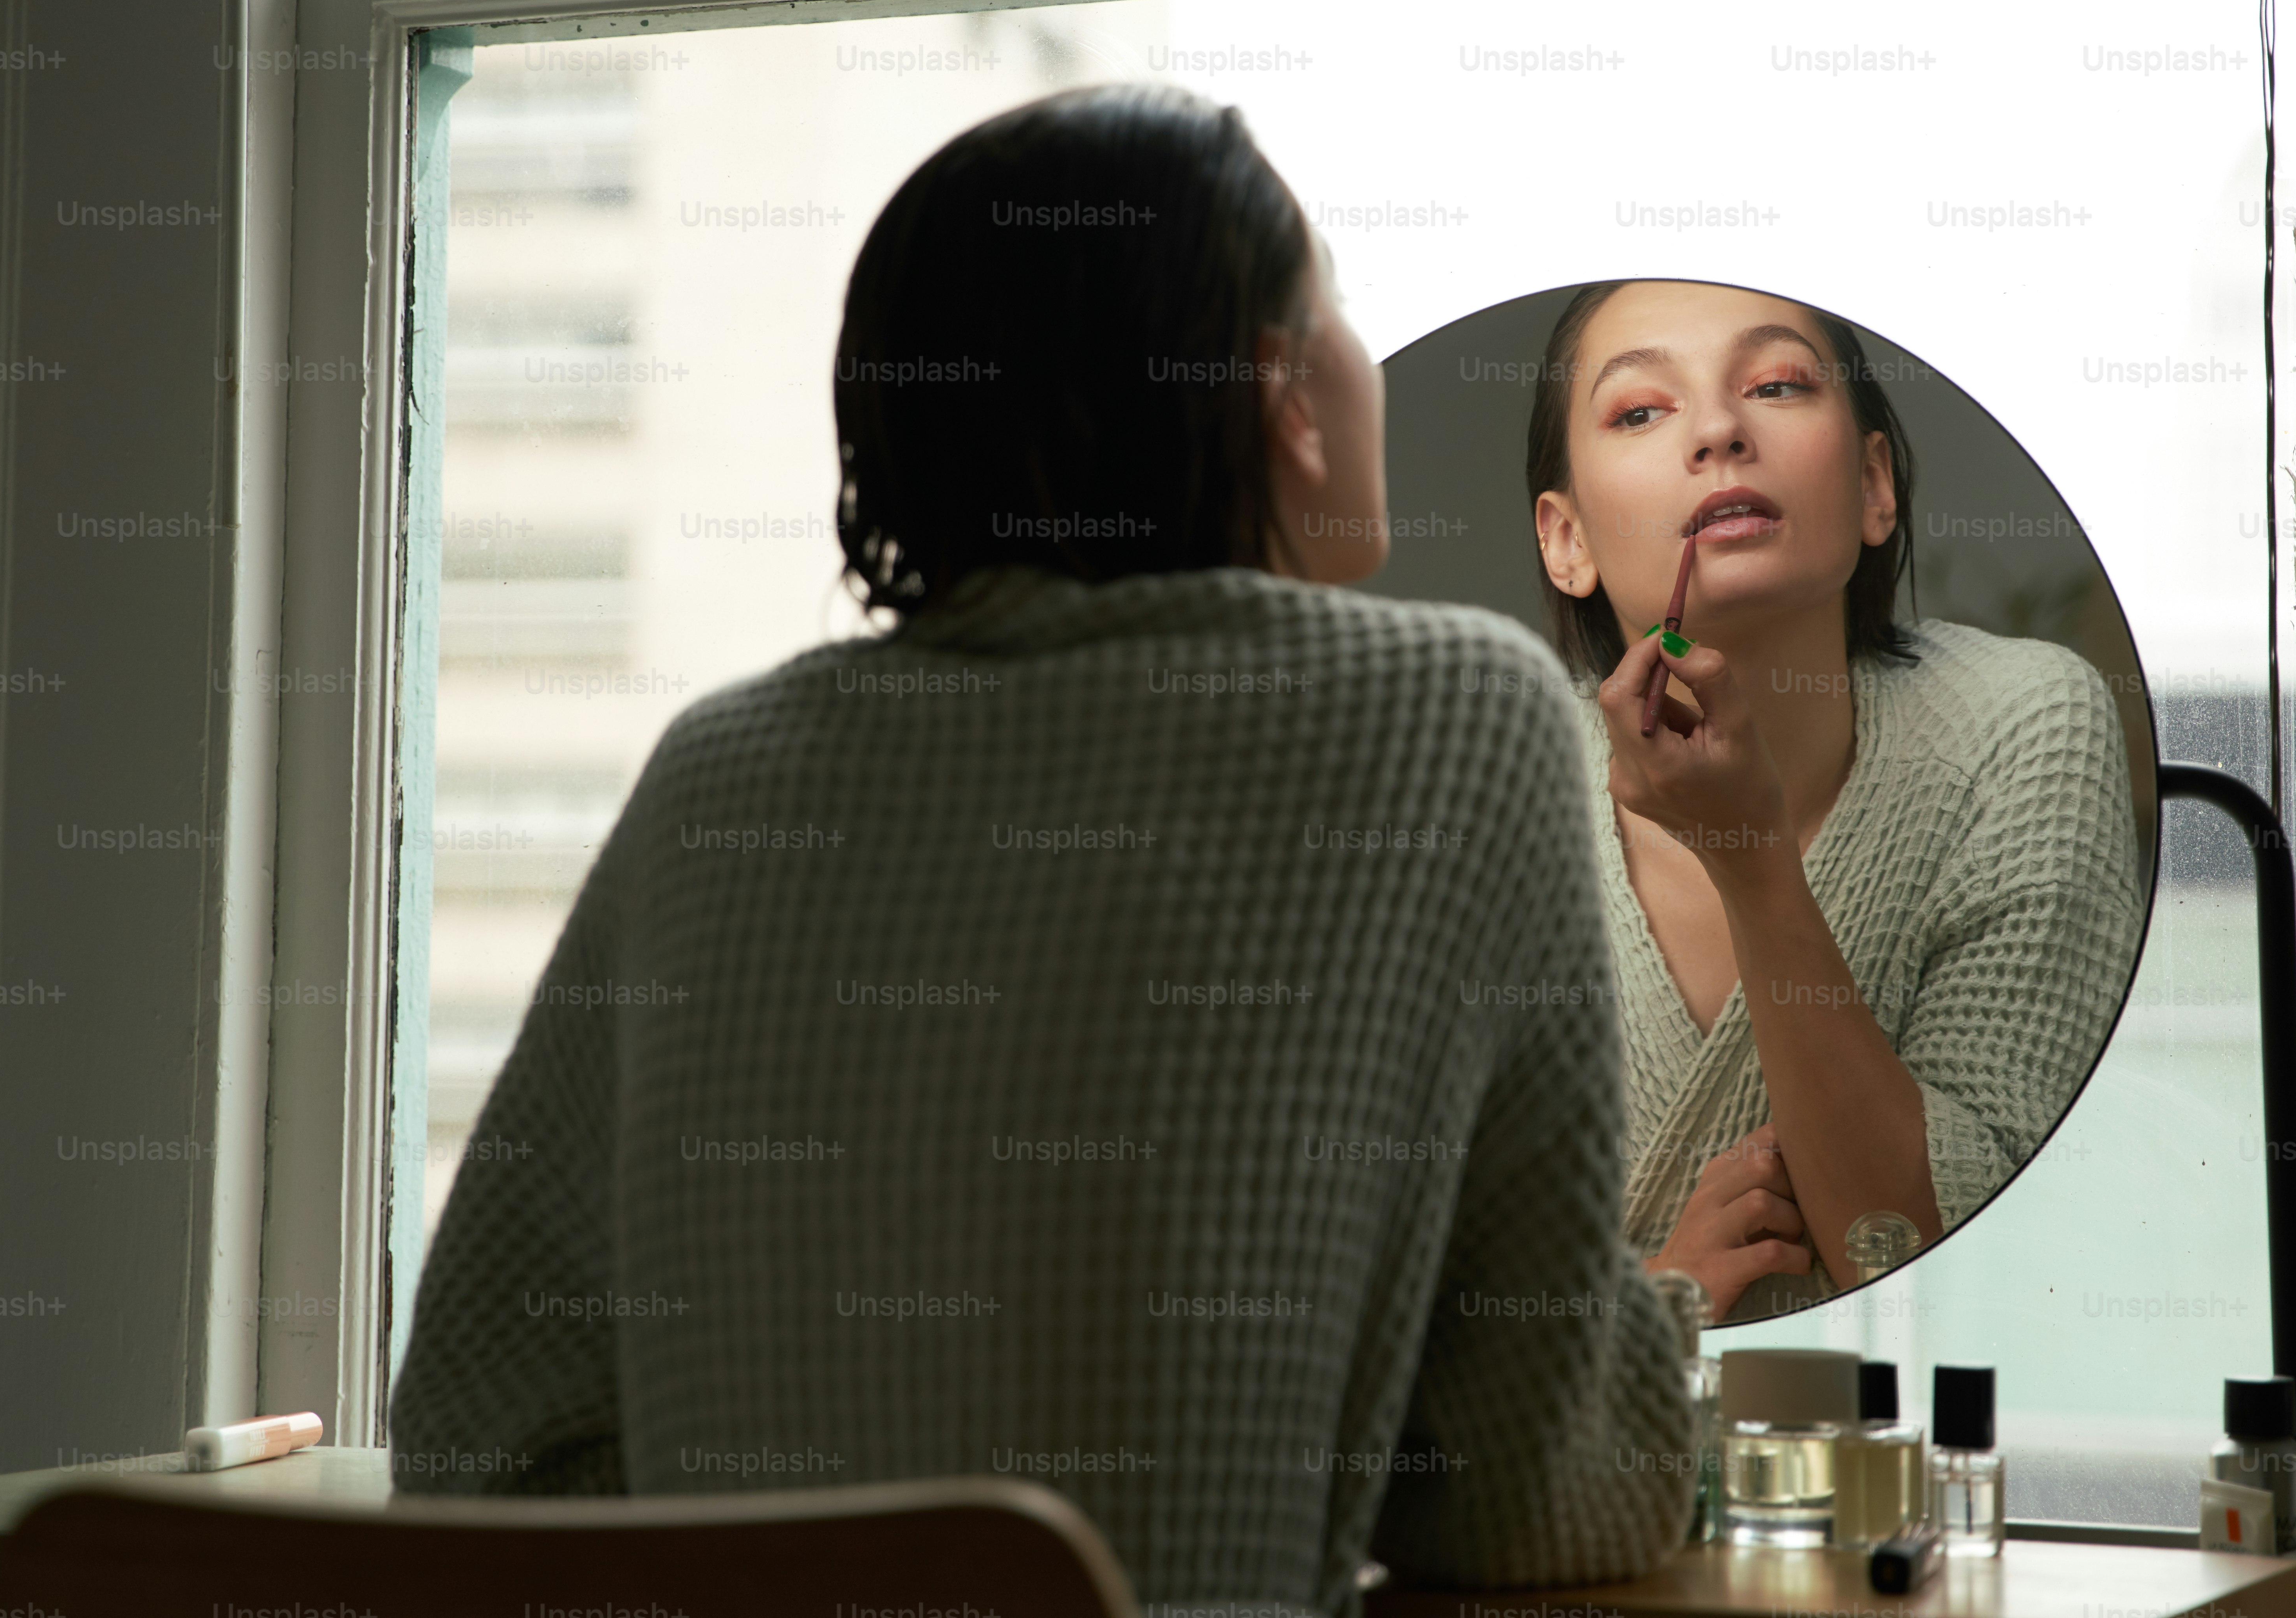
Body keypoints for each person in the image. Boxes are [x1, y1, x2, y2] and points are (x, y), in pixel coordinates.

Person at [391, 88, 1704, 1614]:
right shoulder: (1466, 721)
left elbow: (484, 1439)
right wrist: (1663, 1356)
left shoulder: (718, 773)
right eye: (1331, 305)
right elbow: (1519, 1501)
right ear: (1278, 391)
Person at [1523, 278, 2146, 1320]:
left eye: (1774, 384)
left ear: (1873, 487)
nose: (1719, 430)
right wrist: (1651, 1308)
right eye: (1641, 410)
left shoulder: (2017, 725)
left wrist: (1750, 859)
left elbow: (1923, 1254)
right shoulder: (1485, 795)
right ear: (1566, 541)